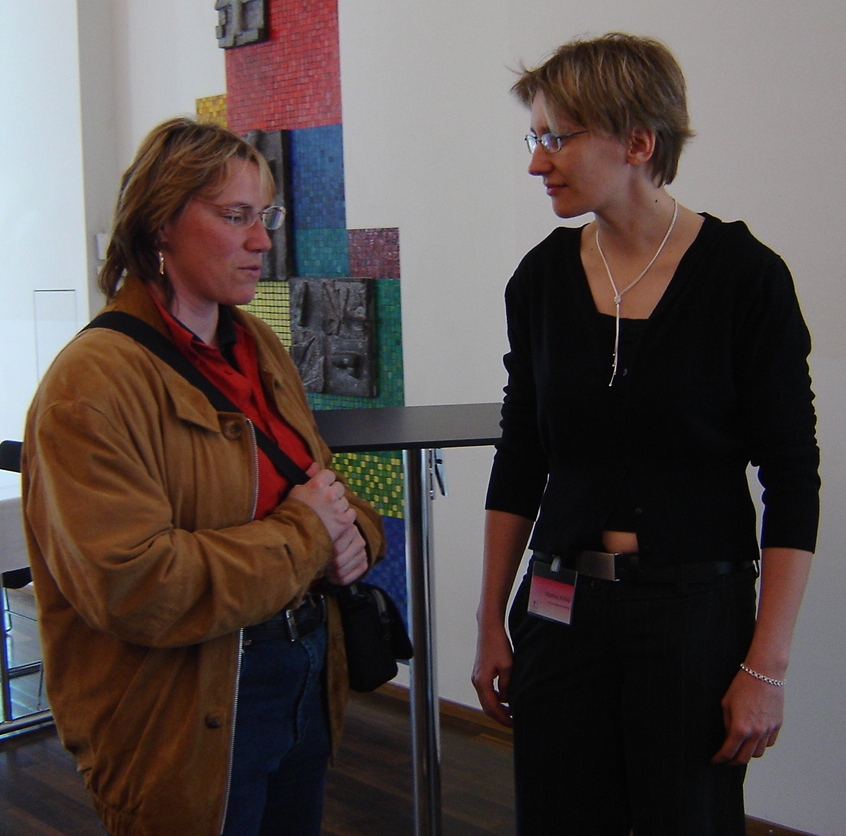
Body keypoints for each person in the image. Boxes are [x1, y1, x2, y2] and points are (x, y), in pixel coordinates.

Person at [472, 33, 820, 835]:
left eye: (557, 138)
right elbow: (521, 456)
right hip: (559, 606)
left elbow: (793, 477)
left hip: (694, 613)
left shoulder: (744, 278)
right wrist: (490, 617)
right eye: (534, 138)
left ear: (638, 143)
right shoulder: (541, 279)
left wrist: (766, 665)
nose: (538, 162)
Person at [22, 117, 385, 836]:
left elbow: (320, 485)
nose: (262, 241)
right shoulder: (91, 384)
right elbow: (135, 586)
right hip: (181, 713)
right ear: (161, 223)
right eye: (235, 216)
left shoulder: (256, 344)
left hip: (302, 674)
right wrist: (309, 536)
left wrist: (359, 538)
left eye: (265, 216)